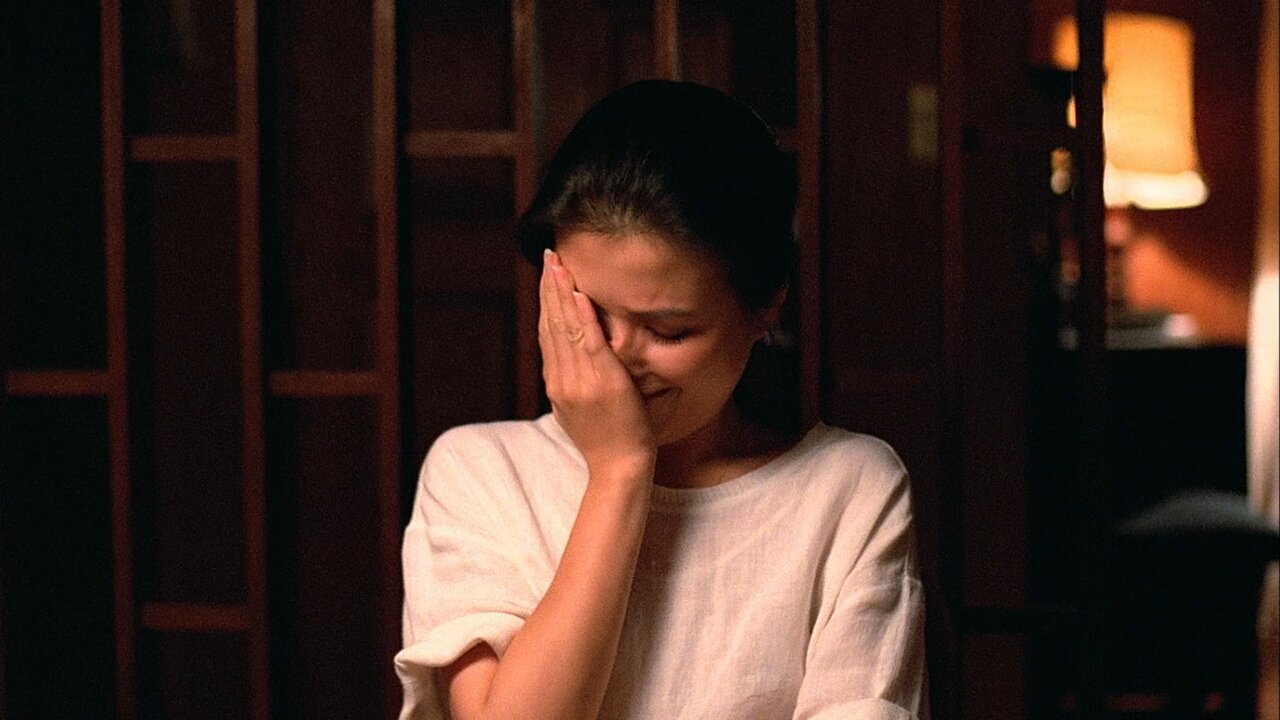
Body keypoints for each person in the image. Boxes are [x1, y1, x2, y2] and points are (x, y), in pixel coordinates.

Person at [395, 80, 927, 720]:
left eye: (669, 331)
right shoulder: (480, 472)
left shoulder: (849, 487)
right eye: (588, 313)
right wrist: (619, 470)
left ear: (766, 305)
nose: (617, 356)